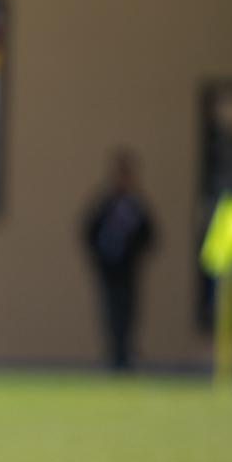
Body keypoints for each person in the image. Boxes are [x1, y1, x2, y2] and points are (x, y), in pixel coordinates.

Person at [83, 149, 154, 370]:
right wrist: (100, 257)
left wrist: (135, 251)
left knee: (129, 311)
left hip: (128, 269)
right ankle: (113, 355)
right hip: (109, 269)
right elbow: (88, 231)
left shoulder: (135, 206)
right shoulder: (106, 204)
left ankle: (126, 355)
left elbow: (150, 234)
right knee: (110, 311)